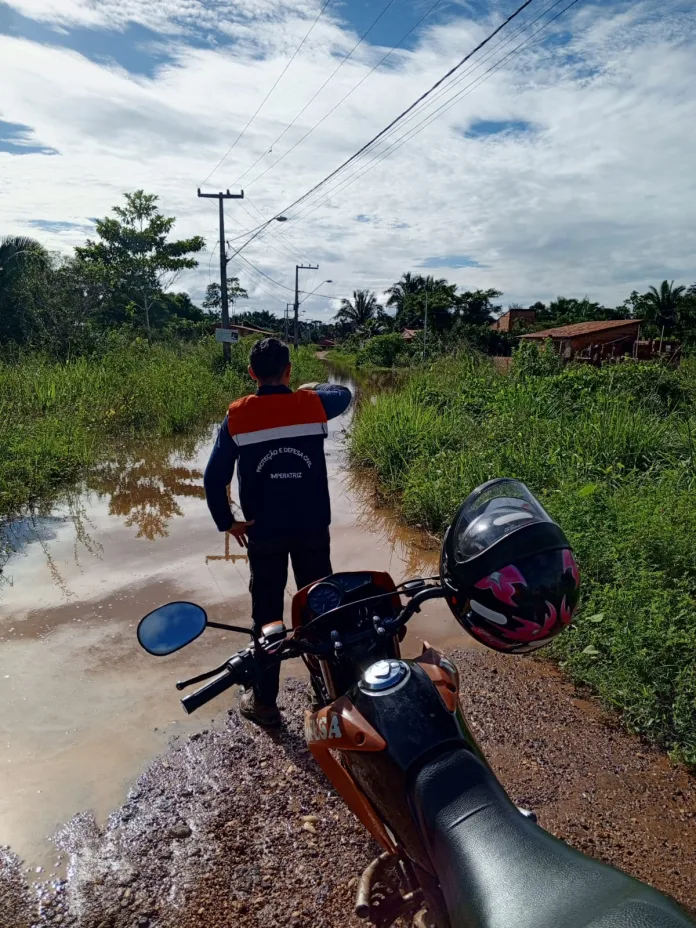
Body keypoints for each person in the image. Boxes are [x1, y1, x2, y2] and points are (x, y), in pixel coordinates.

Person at [204, 337, 352, 727]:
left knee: (267, 615)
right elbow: (343, 393)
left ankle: (266, 703)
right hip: (312, 527)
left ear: (252, 374)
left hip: (263, 532)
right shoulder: (313, 404)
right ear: (288, 370)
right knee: (320, 606)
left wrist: (227, 522)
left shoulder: (237, 416)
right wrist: (307, 388)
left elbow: (213, 477)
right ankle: (329, 690)